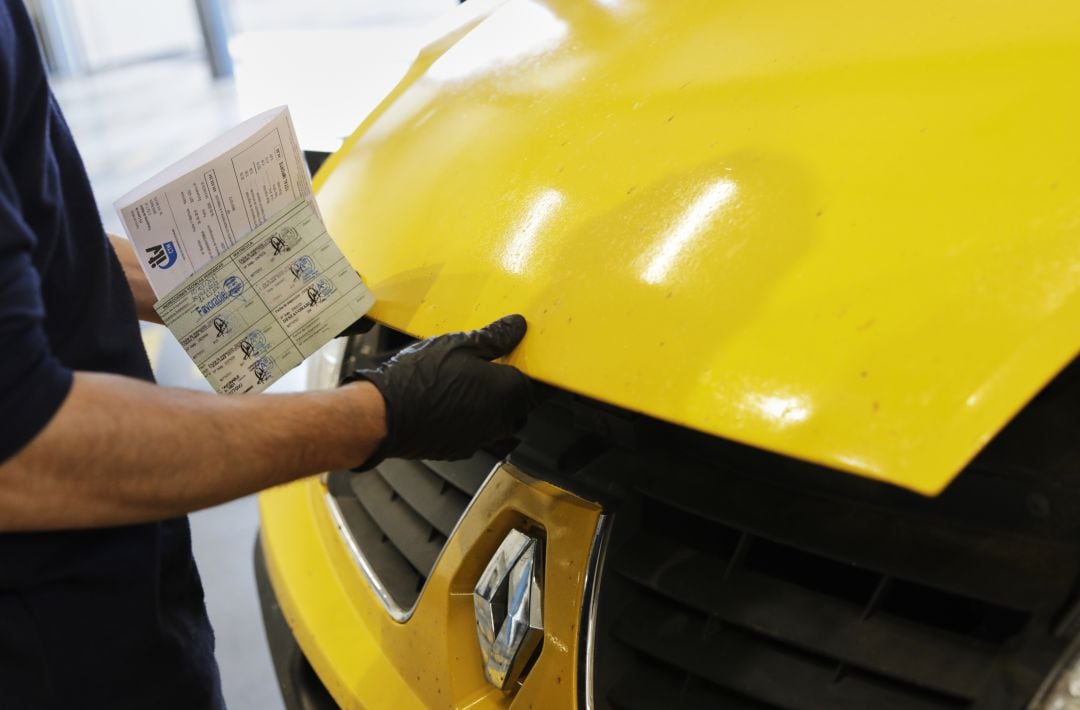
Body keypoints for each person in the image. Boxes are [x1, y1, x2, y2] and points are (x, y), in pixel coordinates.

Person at [0, 2, 533, 708]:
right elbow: (25, 453)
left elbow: (39, 240)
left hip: (111, 592)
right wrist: (380, 414)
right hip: (53, 649)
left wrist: (252, 291)